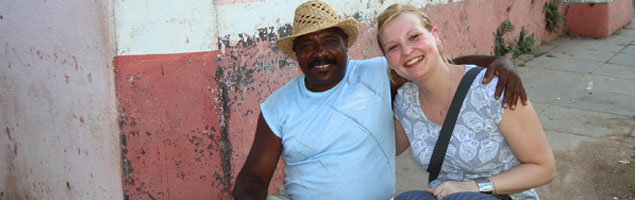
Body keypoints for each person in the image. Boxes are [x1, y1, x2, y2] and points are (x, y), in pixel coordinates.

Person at [232, 1, 526, 199]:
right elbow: (254, 175)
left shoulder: (376, 74)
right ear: (295, 54)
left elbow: (439, 67)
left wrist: (498, 62)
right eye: (308, 46)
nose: (320, 54)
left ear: (345, 45)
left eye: (329, 42)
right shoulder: (279, 105)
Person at [376, 4, 556, 200]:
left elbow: (544, 168)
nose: (407, 50)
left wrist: (475, 187)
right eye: (393, 47)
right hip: (443, 194)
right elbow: (381, 148)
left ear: (435, 36)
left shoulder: (493, 89)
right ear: (388, 60)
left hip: (502, 195)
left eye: (414, 37)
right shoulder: (406, 102)